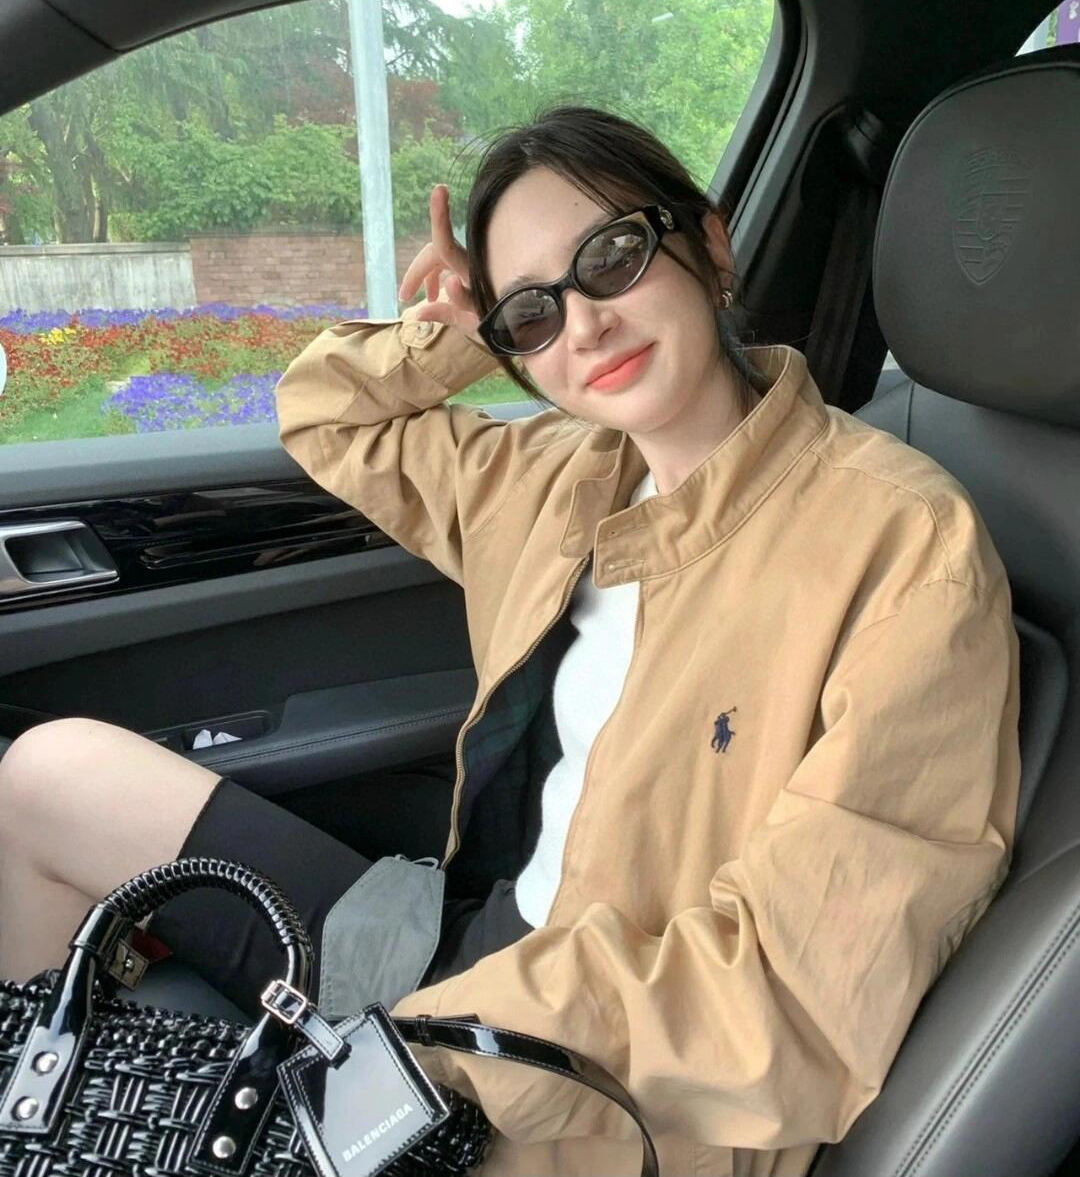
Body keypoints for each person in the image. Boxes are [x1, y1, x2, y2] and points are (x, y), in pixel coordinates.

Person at [0, 105, 1020, 1177]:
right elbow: (327, 416)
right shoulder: (560, 473)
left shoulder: (903, 545)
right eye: (531, 312)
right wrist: (452, 335)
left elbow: (792, 987)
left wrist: (417, 1056)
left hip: (605, 1084)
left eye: (611, 258)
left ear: (711, 246)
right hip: (457, 941)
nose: (583, 327)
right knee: (45, 777)